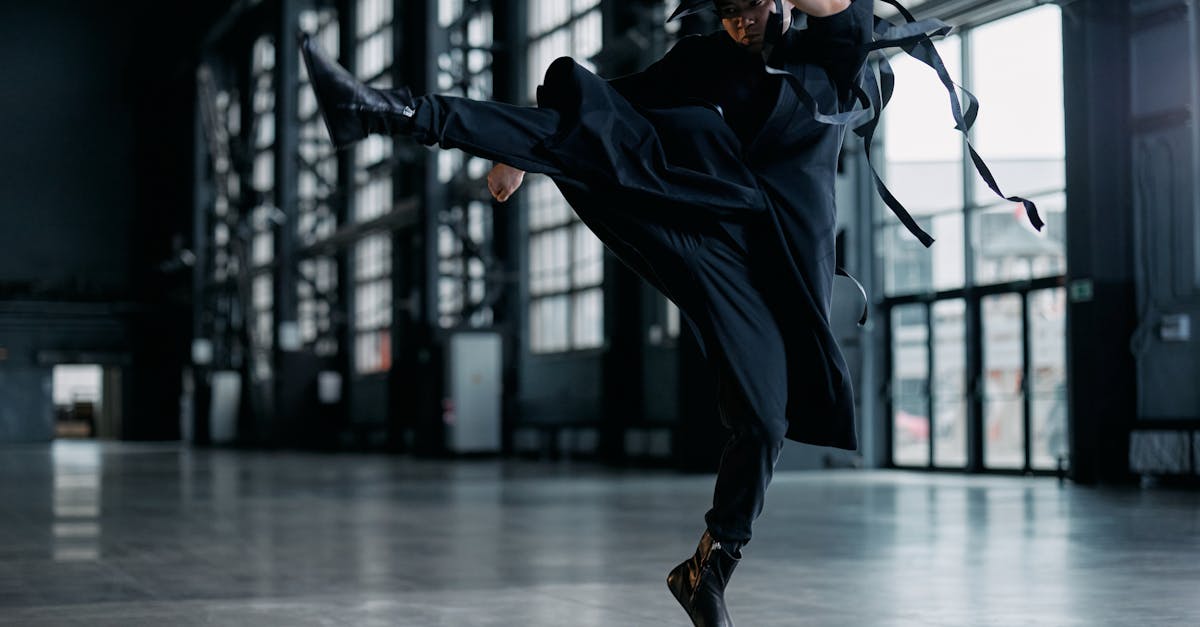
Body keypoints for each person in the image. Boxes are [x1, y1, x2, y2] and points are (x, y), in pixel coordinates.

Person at [299, 1, 1042, 625]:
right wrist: (526, 153)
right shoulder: (705, 56)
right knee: (589, 136)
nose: (739, 25)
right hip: (697, 218)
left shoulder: (832, 56)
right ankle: (379, 110)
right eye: (726, 12)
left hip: (773, 260)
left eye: (749, 9)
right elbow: (607, 103)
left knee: (764, 418)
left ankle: (708, 567)